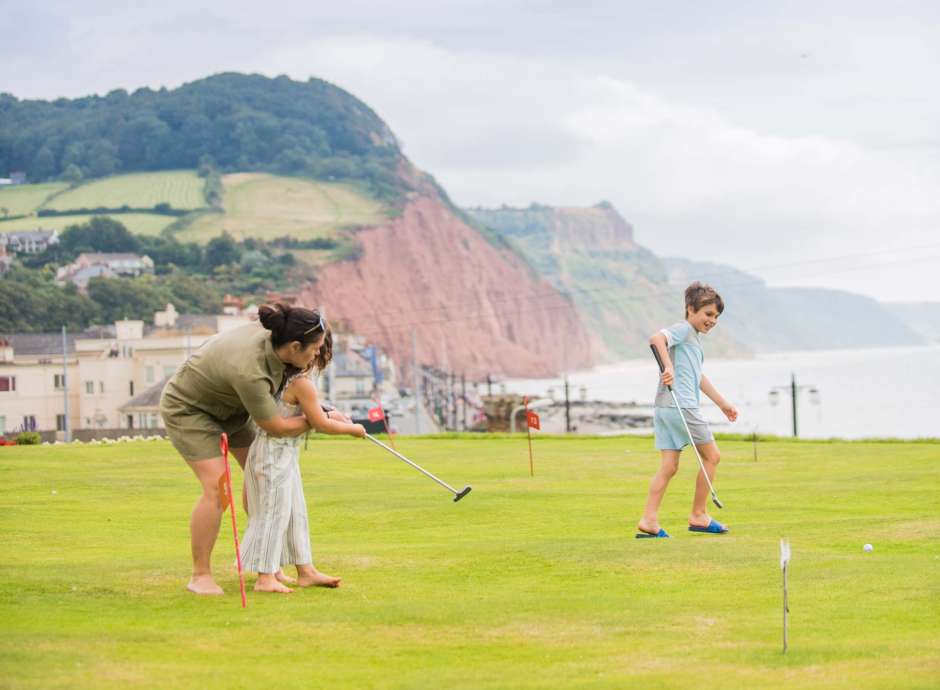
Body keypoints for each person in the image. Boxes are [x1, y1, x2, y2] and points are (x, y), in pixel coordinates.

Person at [160, 303, 351, 595]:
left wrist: (318, 412)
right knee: (218, 488)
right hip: (191, 410)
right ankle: (201, 576)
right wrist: (318, 421)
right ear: (295, 346)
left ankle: (276, 566)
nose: (316, 356)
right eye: (314, 349)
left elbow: (282, 396)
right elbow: (275, 427)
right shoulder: (250, 371)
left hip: (234, 407)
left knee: (265, 479)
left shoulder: (279, 338)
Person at [241, 325, 365, 594]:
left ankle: (305, 570)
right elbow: (319, 424)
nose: (317, 362)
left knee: (295, 512)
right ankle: (265, 577)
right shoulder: (302, 384)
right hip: (272, 453)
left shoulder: (286, 377)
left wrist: (330, 414)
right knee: (274, 512)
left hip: (282, 451)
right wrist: (353, 429)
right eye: (318, 354)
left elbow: (309, 413)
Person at [636, 282, 738, 539]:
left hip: (665, 408)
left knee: (669, 467)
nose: (712, 320)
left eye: (716, 316)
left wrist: (722, 403)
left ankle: (649, 520)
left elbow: (697, 377)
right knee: (712, 457)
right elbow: (656, 339)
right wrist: (667, 366)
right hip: (682, 406)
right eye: (708, 314)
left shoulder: (693, 339)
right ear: (691, 309)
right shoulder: (683, 330)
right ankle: (699, 515)